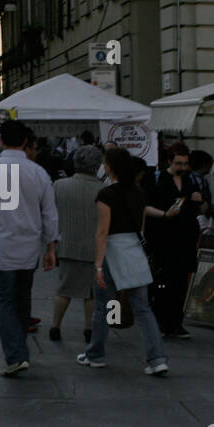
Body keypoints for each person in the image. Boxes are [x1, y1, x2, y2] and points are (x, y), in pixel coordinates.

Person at [0, 121, 59, 377]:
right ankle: (20, 350)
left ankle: (16, 355)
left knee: (4, 302)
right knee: (22, 299)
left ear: (1, 142)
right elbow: (50, 214)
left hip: (0, 248)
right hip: (28, 249)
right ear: (26, 143)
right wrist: (51, 246)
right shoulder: (38, 173)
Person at [79, 148, 169, 375]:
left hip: (112, 251)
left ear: (110, 167)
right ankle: (157, 359)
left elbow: (102, 232)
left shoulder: (106, 194)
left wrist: (98, 265)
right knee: (143, 308)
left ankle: (96, 353)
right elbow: (140, 226)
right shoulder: (138, 192)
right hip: (134, 250)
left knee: (104, 305)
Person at [146, 145, 203, 339]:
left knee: (180, 283)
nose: (182, 167)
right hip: (163, 237)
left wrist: (199, 200)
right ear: (169, 161)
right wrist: (164, 214)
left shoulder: (191, 180)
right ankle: (161, 321)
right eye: (178, 163)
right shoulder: (156, 179)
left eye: (185, 163)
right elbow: (144, 206)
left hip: (185, 238)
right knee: (163, 282)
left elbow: (203, 207)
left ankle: (175, 322)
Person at [50, 145, 103, 344]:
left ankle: (55, 326)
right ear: (97, 166)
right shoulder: (104, 189)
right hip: (94, 248)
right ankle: (89, 329)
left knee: (64, 289)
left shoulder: (59, 185)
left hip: (67, 245)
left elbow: (51, 215)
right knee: (90, 293)